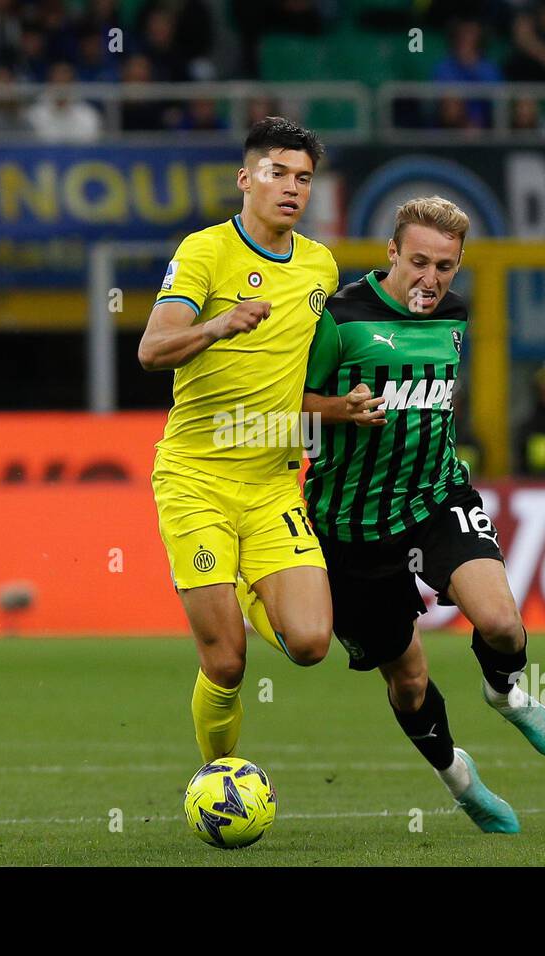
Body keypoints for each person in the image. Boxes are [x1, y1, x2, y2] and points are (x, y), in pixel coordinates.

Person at [300, 196, 545, 834]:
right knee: (410, 680)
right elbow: (291, 401)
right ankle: (460, 778)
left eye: (445, 266)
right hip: (351, 527)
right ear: (391, 253)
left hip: (435, 500)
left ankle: (505, 693)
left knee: (503, 623)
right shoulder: (339, 318)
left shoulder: (455, 314)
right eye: (418, 262)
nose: (431, 279)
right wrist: (341, 409)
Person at [138, 117, 339, 762]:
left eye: (303, 178)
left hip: (274, 481)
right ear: (245, 178)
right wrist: (218, 326)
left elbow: (295, 383)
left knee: (311, 643)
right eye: (277, 173)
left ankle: (248, 588)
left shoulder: (320, 267)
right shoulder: (205, 252)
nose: (291, 188)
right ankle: (217, 776)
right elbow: (151, 349)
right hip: (196, 479)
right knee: (226, 664)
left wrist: (342, 409)